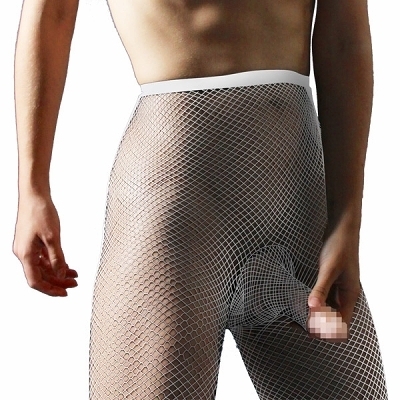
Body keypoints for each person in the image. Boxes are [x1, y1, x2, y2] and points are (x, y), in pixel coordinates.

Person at [12, 0, 388, 399]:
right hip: (174, 216)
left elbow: (344, 37)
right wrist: (33, 190)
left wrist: (347, 222)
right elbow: (51, 13)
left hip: (300, 211)